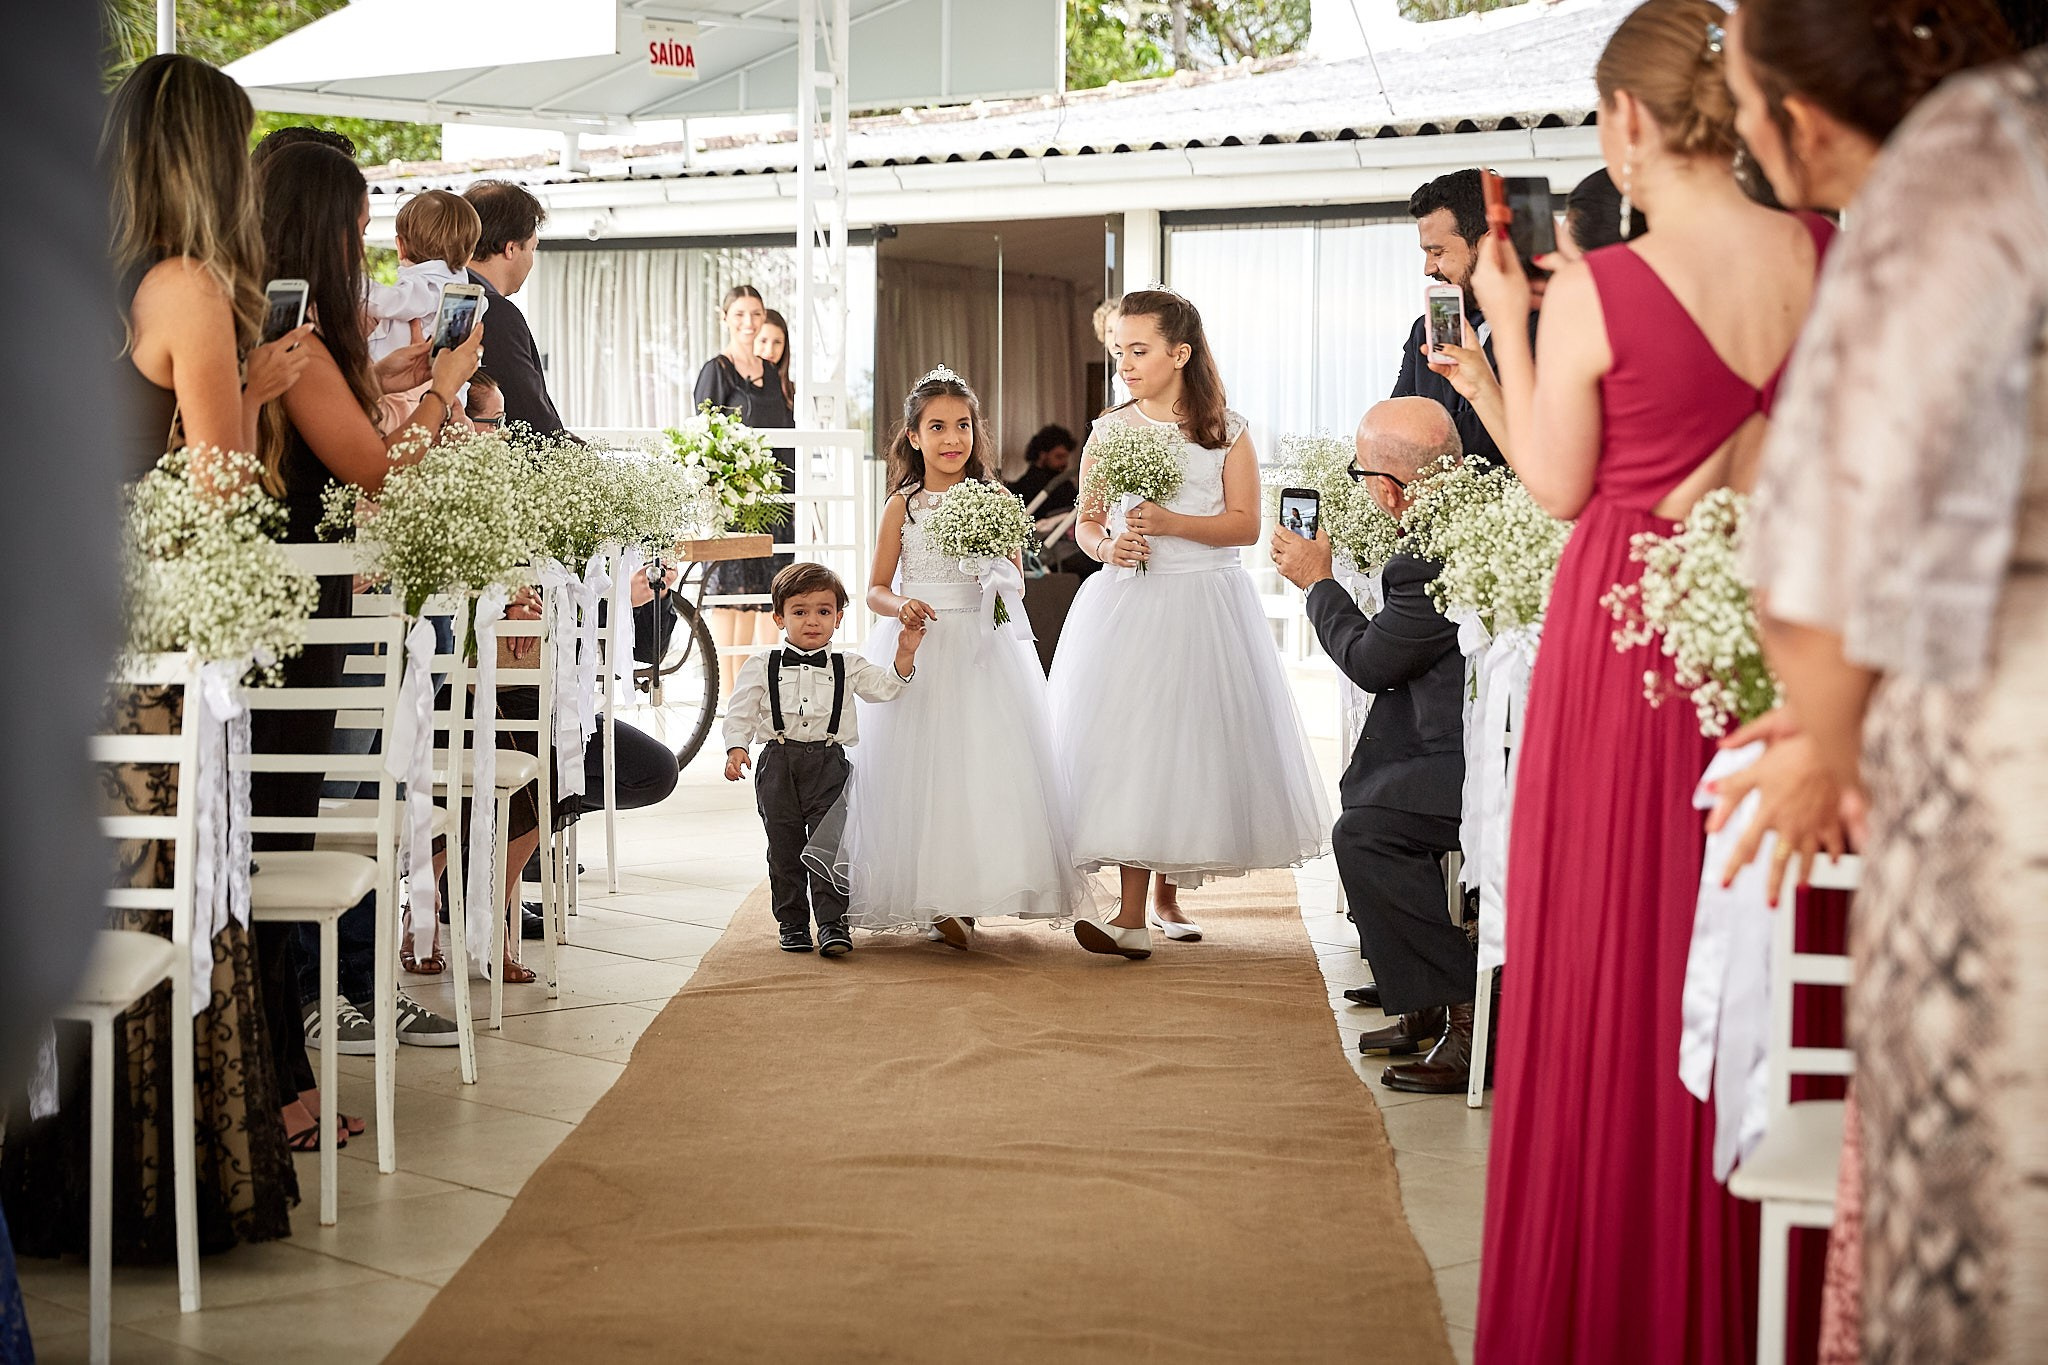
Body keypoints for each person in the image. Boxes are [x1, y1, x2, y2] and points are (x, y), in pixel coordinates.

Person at [1464, 1, 1840, 1358]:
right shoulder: (1828, 250)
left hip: (1628, 649)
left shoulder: (1603, 288)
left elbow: (1561, 485)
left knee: (1621, 968)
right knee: (1780, 948)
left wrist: (1513, 319)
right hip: (1786, 640)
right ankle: (1765, 1291)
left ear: (1625, 120)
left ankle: (1614, 1307)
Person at [1705, 3, 2020, 1359]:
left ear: (1804, 116)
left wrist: (1826, 742)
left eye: (1739, 93)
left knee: (1994, 1197)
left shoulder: (1960, 167)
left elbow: (1821, 539)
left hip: (2010, 750)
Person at [2, 50, 319, 1262]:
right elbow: (221, 497)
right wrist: (251, 381)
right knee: (162, 904)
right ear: (205, 161)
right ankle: (142, 1194)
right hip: (138, 665)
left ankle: (32, 1188)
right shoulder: (185, 288)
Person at [1050, 289, 1330, 957]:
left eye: (1139, 350)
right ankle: (1130, 912)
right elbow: (1087, 521)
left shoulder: (1225, 429)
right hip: (1128, 604)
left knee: (1187, 744)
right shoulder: (1110, 429)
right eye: (1118, 351)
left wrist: (1173, 522)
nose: (1125, 363)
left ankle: (1165, 894)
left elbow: (1246, 523)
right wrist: (1106, 545)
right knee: (1133, 746)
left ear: (1180, 353)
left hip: (1203, 603)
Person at [806, 368, 1096, 949]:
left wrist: (994, 568)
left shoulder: (994, 500)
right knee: (926, 773)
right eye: (936, 426)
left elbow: (1015, 577)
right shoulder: (903, 507)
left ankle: (976, 889)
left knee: (984, 768)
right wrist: (902, 606)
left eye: (962, 425)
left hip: (981, 648)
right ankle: (934, 896)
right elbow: (875, 588)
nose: (951, 438)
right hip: (922, 641)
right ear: (913, 436)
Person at [1271, 398, 1477, 1090]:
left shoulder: (1425, 557)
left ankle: (1469, 1010)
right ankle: (1421, 1003)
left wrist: (1318, 581)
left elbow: (1370, 661)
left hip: (1469, 758)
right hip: (1463, 737)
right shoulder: (1461, 519)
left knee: (1365, 833)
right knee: (1365, 800)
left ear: (1389, 488)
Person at [723, 563, 923, 955]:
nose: (812, 621)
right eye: (799, 612)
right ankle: (793, 923)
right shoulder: (761, 665)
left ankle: (833, 924)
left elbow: (885, 689)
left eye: (823, 611)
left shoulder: (848, 665)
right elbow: (740, 712)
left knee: (830, 847)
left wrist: (904, 654)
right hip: (778, 764)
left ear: (838, 617)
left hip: (830, 765)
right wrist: (737, 748)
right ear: (779, 617)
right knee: (784, 847)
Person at [695, 285, 798, 696]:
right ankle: (727, 698)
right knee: (732, 601)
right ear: (725, 318)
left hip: (778, 500)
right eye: (740, 314)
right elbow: (703, 438)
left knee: (767, 600)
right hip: (736, 503)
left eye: (755, 313)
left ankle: (758, 696)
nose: (749, 322)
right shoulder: (716, 370)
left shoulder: (772, 373)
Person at [1391, 170, 1511, 468]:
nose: (1428, 268)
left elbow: (1525, 435)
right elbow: (1394, 426)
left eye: (1437, 252)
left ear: (1488, 245)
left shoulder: (1546, 325)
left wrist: (1425, 432)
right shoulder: (1425, 329)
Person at [463, 179, 566, 436]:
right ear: (511, 248)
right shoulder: (493, 311)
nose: (531, 259)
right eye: (532, 248)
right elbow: (531, 416)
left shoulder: (441, 293)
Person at [366, 190, 483, 362]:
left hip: (404, 379)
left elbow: (388, 302)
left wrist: (349, 283)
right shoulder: (463, 294)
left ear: (400, 246)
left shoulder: (428, 286)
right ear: (469, 257)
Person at [757, 306, 797, 409]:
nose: (770, 350)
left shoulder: (793, 391)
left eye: (777, 342)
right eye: (763, 341)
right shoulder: (737, 388)